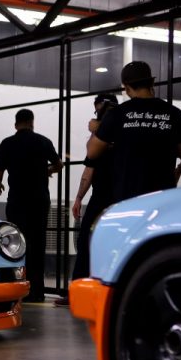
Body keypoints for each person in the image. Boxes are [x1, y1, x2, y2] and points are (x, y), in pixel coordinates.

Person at [87, 61, 181, 203]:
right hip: (162, 196)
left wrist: (97, 129)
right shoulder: (174, 113)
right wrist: (178, 167)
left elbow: (92, 153)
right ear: (152, 83)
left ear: (126, 87)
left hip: (126, 197)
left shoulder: (117, 114)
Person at [0, 108, 63, 303]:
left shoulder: (7, 143)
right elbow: (59, 165)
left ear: (16, 124)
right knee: (38, 243)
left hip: (17, 201)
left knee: (15, 244)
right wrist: (47, 170)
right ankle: (37, 291)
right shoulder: (43, 141)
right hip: (39, 201)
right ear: (32, 122)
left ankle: (18, 289)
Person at [55, 93, 118, 307]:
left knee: (89, 243)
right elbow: (89, 168)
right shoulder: (119, 133)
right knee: (94, 243)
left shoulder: (104, 135)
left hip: (108, 197)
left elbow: (90, 165)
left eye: (98, 109)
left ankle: (85, 293)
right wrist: (79, 198)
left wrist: (79, 198)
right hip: (117, 197)